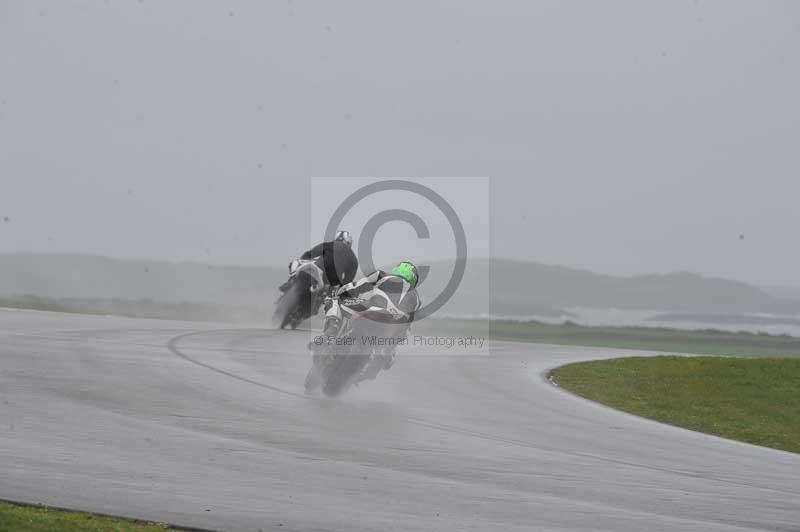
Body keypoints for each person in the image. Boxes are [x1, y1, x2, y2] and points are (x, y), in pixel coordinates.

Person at [330, 260, 421, 375]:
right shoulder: (416, 298)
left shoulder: (382, 275)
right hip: (391, 326)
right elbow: (407, 326)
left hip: (372, 310)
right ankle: (374, 366)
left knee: (335, 301)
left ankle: (331, 328)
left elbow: (356, 286)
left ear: (397, 269)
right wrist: (391, 352)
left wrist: (339, 292)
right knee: (390, 347)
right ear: (413, 279)